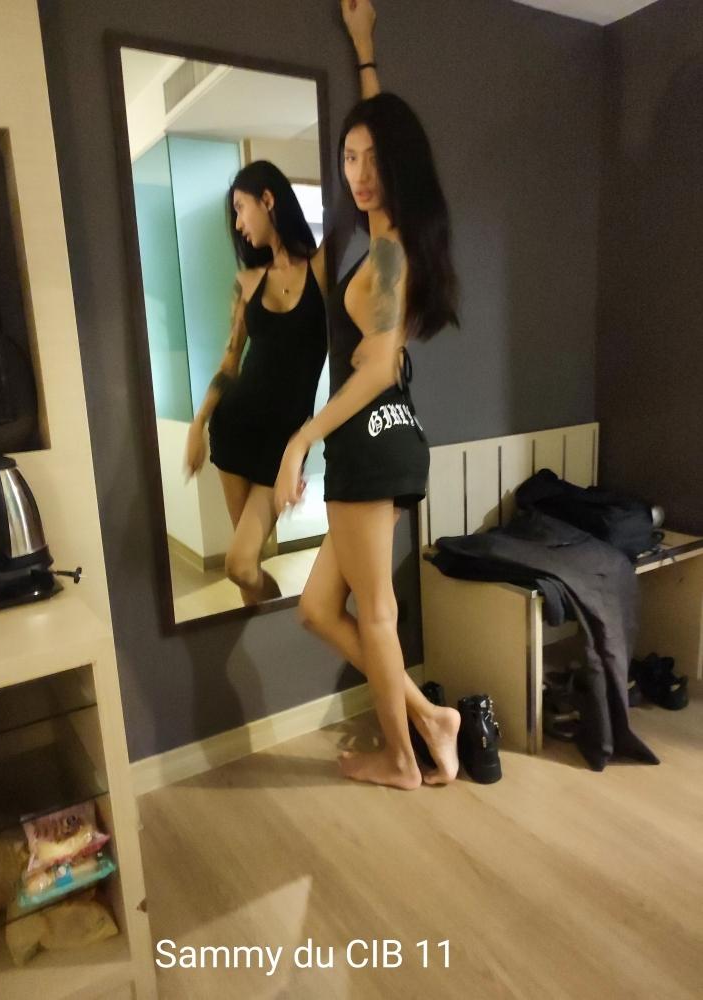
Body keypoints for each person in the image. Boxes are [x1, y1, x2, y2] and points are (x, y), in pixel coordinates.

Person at [274, 0, 461, 789]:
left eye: (372, 158)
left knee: (376, 613)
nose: (358, 171)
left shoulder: (387, 257)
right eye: (349, 156)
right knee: (319, 609)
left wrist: (300, 438)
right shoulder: (391, 236)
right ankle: (431, 718)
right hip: (385, 441)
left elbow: (379, 368)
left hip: (371, 442)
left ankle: (404, 759)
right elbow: (382, 134)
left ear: (397, 165)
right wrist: (364, 48)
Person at [184, 161, 328, 606]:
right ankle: (276, 634)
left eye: (240, 208)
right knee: (247, 575)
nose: (237, 223)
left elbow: (354, 209)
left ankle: (281, 620)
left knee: (240, 564)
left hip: (282, 446)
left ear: (268, 199)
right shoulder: (247, 283)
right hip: (233, 428)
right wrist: (197, 424)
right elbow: (230, 362)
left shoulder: (321, 268)